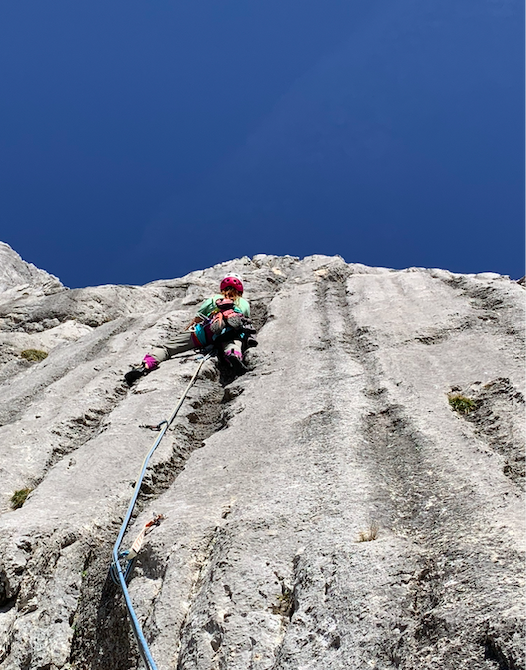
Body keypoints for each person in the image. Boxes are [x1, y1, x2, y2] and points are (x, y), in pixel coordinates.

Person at [125, 273, 256, 385]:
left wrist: (186, 330)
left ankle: (146, 365)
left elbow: (198, 318)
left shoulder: (215, 299)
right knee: (234, 341)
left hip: (205, 333)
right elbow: (245, 322)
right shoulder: (244, 303)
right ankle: (233, 355)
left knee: (167, 348)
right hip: (231, 332)